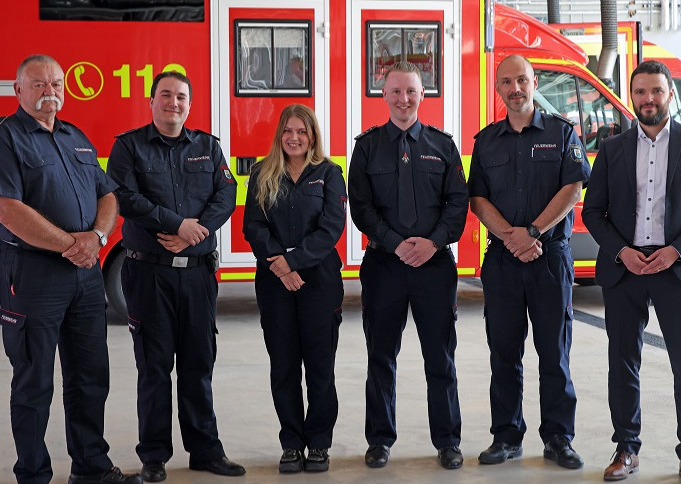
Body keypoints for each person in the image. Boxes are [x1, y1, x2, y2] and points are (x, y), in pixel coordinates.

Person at [0, 54, 140, 484]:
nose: (50, 91)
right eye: (38, 84)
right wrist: (72, 244)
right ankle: (33, 475)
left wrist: (98, 239)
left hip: (84, 279)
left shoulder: (75, 136)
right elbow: (8, 209)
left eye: (57, 83)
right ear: (18, 90)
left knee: (90, 378)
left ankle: (90, 468)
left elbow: (108, 194)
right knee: (34, 384)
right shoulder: (2, 139)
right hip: (32, 276)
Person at [582, 60, 681, 484]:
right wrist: (621, 251)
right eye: (640, 92)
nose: (648, 99)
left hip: (676, 269)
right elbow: (593, 211)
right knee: (623, 362)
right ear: (632, 97)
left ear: (669, 95)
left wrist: (676, 251)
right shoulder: (611, 149)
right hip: (625, 268)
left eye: (656, 91)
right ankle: (627, 449)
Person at [106, 71, 243, 481]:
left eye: (181, 96)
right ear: (151, 102)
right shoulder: (128, 146)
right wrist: (176, 224)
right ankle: (153, 456)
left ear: (190, 103)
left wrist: (196, 230)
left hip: (198, 274)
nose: (174, 103)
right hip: (149, 274)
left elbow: (227, 193)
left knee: (199, 365)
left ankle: (204, 450)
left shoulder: (208, 146)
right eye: (165, 95)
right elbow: (125, 197)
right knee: (154, 367)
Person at [468, 54, 590, 470]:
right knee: (503, 352)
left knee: (554, 352)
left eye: (522, 80)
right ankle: (506, 435)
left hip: (549, 258)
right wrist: (511, 236)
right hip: (503, 260)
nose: (515, 88)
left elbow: (572, 189)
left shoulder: (561, 132)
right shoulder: (485, 141)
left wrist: (533, 232)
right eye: (506, 82)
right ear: (497, 88)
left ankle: (558, 437)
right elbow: (478, 199)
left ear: (534, 81)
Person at [348, 61, 469, 470]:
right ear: (383, 96)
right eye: (396, 92)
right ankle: (380, 440)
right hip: (385, 266)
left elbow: (458, 203)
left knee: (440, 357)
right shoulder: (366, 147)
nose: (403, 100)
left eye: (411, 92)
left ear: (423, 95)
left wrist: (432, 243)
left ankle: (448, 441)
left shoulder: (443, 145)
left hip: (434, 267)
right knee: (381, 356)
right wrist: (398, 244)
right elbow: (361, 208)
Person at [243, 104, 346, 474]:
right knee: (284, 365)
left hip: (318, 280)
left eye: (302, 131)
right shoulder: (262, 172)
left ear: (313, 135)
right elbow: (252, 226)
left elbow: (332, 227)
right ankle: (291, 443)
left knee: (320, 365)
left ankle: (318, 443)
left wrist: (294, 261)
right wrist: (278, 263)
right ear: (279, 136)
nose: (294, 137)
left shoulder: (330, 174)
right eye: (288, 131)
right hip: (274, 281)